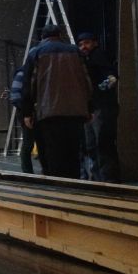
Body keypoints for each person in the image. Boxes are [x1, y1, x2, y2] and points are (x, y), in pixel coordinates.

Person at [21, 24, 92, 179]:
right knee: (73, 153)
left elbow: (28, 85)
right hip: (75, 111)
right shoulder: (76, 52)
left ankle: (57, 185)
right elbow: (87, 81)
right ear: (60, 35)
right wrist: (89, 108)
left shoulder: (36, 53)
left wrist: (27, 112)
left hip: (48, 112)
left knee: (52, 154)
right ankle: (73, 183)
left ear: (43, 37)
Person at [77, 31, 120, 183]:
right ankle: (103, 178)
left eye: (87, 43)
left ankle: (106, 179)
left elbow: (112, 79)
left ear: (95, 43)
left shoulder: (97, 57)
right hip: (97, 106)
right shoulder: (92, 58)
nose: (83, 47)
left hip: (100, 106)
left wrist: (97, 91)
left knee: (100, 144)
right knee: (96, 144)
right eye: (81, 44)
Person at [9, 65, 37, 174]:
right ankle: (27, 171)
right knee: (28, 142)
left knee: (33, 142)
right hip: (26, 111)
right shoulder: (23, 73)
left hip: (34, 110)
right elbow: (15, 95)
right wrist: (26, 110)